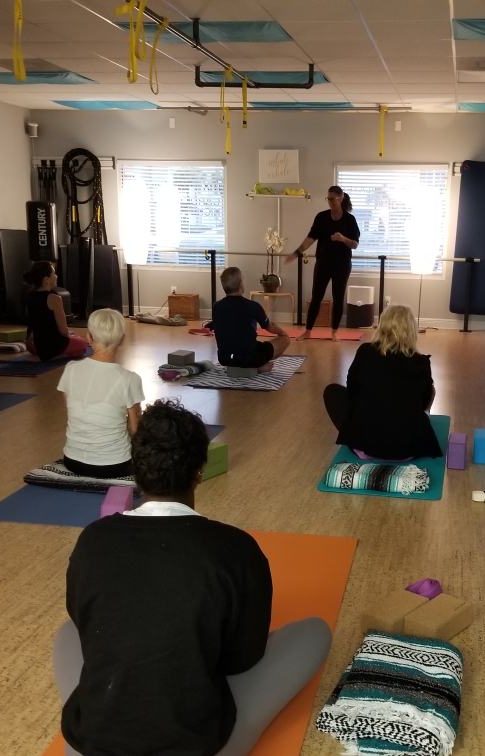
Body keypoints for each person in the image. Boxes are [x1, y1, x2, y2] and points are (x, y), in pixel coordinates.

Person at [53, 399, 332, 756]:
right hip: (197, 746)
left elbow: (83, 621)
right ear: (200, 470)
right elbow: (241, 661)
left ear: (136, 468)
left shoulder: (94, 539)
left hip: (90, 747)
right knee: (314, 632)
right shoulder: (235, 548)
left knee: (68, 633)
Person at [323, 305, 442, 460]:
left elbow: (352, 390)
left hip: (366, 448)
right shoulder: (421, 362)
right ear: (412, 330)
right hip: (408, 451)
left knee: (332, 391)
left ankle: (363, 437)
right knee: (429, 390)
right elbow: (423, 402)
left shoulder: (365, 351)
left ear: (382, 326)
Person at [56, 308, 144, 479]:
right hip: (115, 465)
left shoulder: (70, 369)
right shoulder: (129, 379)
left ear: (89, 337)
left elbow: (74, 412)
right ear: (122, 340)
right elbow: (135, 428)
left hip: (72, 460)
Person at [285, 185, 360, 342]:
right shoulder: (321, 217)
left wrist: (342, 239)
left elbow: (355, 244)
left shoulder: (350, 220)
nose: (330, 202)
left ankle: (334, 332)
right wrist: (296, 252)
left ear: (341, 198)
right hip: (323, 263)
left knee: (338, 297)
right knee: (316, 297)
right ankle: (308, 331)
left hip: (342, 265)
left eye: (333, 199)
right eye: (328, 199)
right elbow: (311, 238)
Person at [212, 267, 290, 373]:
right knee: (285, 339)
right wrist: (283, 333)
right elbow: (269, 326)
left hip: (224, 359)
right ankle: (256, 367)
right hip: (250, 358)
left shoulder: (216, 306)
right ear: (241, 284)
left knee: (248, 347)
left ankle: (240, 366)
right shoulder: (253, 306)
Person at [23, 261, 88, 361]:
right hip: (47, 346)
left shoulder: (29, 296)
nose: (56, 276)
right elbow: (63, 330)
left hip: (31, 344)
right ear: (46, 279)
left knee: (74, 337)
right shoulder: (54, 298)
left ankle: (42, 355)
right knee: (83, 345)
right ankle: (51, 357)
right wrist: (70, 338)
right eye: (54, 274)